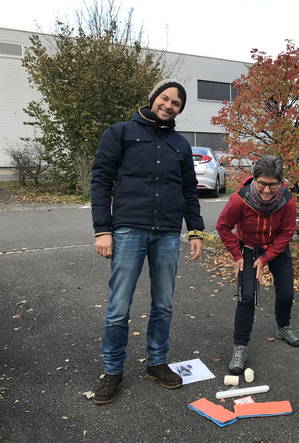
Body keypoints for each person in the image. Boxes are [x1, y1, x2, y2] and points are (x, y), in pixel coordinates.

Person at [91, 79, 204, 404]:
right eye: (165, 99)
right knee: (118, 307)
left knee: (164, 304)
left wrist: (194, 230)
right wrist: (103, 229)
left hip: (168, 233)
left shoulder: (180, 145)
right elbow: (101, 179)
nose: (169, 105)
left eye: (176, 104)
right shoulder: (121, 133)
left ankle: (156, 363)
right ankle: (112, 370)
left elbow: (188, 190)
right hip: (128, 229)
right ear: (153, 97)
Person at [216, 155, 299, 375]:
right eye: (262, 183)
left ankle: (283, 327)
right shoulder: (239, 200)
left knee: (286, 292)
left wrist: (266, 259)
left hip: (276, 248)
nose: (266, 190)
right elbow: (223, 227)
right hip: (248, 248)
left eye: (272, 185)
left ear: (280, 183)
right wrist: (237, 255)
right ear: (254, 179)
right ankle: (240, 346)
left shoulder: (287, 200)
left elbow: (287, 232)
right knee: (247, 297)